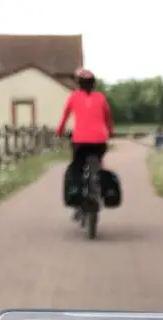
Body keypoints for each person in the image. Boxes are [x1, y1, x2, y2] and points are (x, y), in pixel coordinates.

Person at [56, 68, 114, 213]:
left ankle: (77, 190)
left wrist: (59, 131)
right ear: (93, 84)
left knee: (77, 166)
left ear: (78, 83)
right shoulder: (101, 97)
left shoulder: (73, 97)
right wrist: (110, 131)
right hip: (100, 140)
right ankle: (99, 186)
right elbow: (108, 117)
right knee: (99, 163)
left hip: (80, 140)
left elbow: (65, 117)